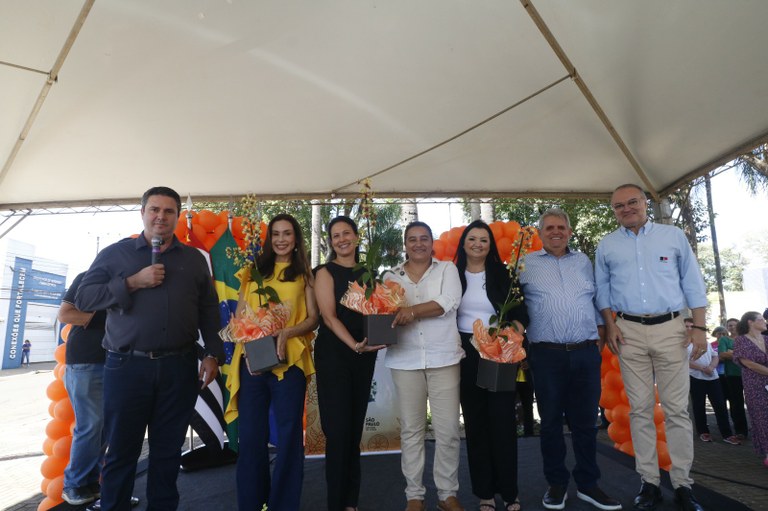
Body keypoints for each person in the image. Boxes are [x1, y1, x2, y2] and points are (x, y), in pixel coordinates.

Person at [76, 186, 224, 510]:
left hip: (179, 367)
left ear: (177, 217)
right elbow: (84, 298)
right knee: (121, 452)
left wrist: (213, 353)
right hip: (127, 367)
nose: (161, 216)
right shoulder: (116, 254)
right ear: (142, 212)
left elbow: (209, 310)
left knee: (167, 453)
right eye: (154, 209)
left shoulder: (194, 260)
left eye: (168, 211)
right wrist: (132, 282)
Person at [596, 184, 708, 511]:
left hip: (672, 329)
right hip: (627, 331)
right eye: (619, 206)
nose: (626, 209)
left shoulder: (672, 236)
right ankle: (649, 482)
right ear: (614, 211)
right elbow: (602, 290)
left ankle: (683, 484)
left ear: (645, 202)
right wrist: (611, 325)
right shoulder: (607, 244)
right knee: (640, 410)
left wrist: (700, 328)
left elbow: (692, 281)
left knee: (676, 410)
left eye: (632, 202)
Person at [519, 209, 621, 511]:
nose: (556, 232)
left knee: (586, 424)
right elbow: (515, 305)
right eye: (549, 227)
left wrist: (600, 334)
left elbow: (596, 300)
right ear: (540, 233)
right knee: (550, 424)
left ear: (570, 231)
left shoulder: (584, 262)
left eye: (561, 227)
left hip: (585, 353)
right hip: (546, 355)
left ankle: (589, 484)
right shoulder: (525, 265)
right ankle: (557, 484)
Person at [224, 213, 318, 511]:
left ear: (296, 238)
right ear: (268, 238)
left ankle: (283, 505)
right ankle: (251, 504)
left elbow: (313, 319)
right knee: (251, 436)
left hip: (290, 363)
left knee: (289, 436)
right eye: (276, 234)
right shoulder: (252, 271)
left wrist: (286, 331)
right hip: (252, 362)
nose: (281, 239)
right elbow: (240, 315)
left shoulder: (304, 274)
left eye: (287, 233)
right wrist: (250, 336)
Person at [385, 221, 465, 511]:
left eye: (424, 238)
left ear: (432, 243)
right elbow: (385, 311)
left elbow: (448, 301)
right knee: (411, 431)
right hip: (404, 360)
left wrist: (410, 311)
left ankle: (447, 494)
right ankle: (414, 496)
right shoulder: (390, 276)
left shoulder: (447, 269)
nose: (418, 244)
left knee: (448, 431)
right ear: (404, 245)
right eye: (412, 239)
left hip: (444, 358)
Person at [454, 220, 528, 511]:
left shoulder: (504, 273)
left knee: (503, 423)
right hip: (465, 353)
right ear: (463, 243)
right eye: (472, 239)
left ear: (490, 245)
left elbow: (522, 313)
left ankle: (510, 493)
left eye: (483, 240)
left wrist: (510, 338)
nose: (477, 244)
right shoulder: (452, 274)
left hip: (499, 351)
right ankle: (484, 493)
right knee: (476, 424)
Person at [313, 216, 385, 511]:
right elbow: (329, 318)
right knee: (338, 432)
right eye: (335, 236)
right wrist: (355, 345)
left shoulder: (369, 272)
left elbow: (379, 311)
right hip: (335, 356)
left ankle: (351, 503)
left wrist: (383, 331)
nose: (341, 239)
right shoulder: (324, 272)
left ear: (356, 237)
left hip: (364, 356)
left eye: (346, 233)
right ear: (331, 242)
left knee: (354, 432)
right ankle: (336, 503)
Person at [58, 272, 108, 506]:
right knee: (90, 425)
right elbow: (65, 314)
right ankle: (74, 485)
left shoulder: (134, 281)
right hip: (86, 362)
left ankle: (90, 482)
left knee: (104, 428)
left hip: (115, 363)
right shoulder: (89, 277)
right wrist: (99, 320)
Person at [686, 337, 740, 445]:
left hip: (713, 377)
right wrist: (702, 368)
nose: (690, 329)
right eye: (687, 327)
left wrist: (711, 367)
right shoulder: (684, 344)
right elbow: (684, 361)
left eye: (691, 327)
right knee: (699, 405)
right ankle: (703, 431)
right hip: (695, 377)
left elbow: (715, 356)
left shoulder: (705, 342)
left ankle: (727, 434)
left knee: (720, 404)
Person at [732, 311, 768, 468]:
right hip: (754, 384)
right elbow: (749, 364)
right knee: (761, 417)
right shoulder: (741, 340)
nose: (764, 321)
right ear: (750, 322)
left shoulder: (766, 339)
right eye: (760, 319)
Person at [716, 318, 749, 439]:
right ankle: (741, 430)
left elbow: (752, 354)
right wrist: (742, 354)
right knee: (736, 403)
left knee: (753, 402)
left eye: (735, 325)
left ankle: (758, 427)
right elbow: (722, 355)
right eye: (730, 325)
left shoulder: (745, 338)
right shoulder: (724, 339)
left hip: (749, 374)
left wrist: (732, 352)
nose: (732, 327)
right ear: (727, 327)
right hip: (732, 376)